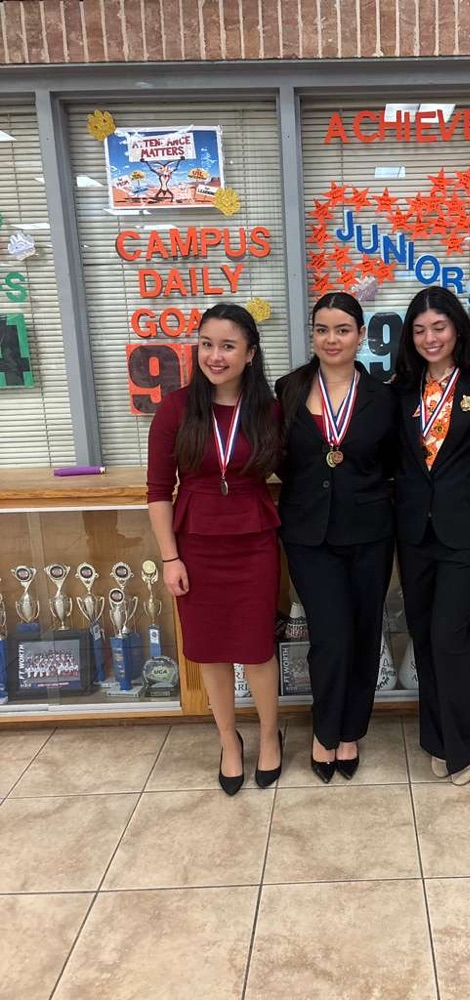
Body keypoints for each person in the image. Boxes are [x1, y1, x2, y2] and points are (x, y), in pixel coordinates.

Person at [147, 302, 283, 795]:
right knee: (209, 653)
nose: (215, 355)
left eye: (228, 345)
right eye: (206, 344)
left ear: (250, 353)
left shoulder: (269, 409)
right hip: (195, 546)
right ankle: (229, 741)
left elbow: (299, 471)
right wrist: (169, 557)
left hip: (253, 542)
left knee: (257, 649)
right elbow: (159, 491)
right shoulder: (176, 408)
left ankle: (270, 736)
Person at [275, 292, 398, 783]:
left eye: (343, 329)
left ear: (361, 335)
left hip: (369, 531)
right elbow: (278, 457)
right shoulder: (286, 389)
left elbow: (392, 463)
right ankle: (324, 732)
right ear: (313, 334)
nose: (332, 339)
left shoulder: (385, 396)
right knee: (329, 636)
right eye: (322, 329)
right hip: (308, 533)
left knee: (366, 633)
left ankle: (351, 732)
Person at [392, 286, 470, 785]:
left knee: (449, 636)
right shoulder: (400, 389)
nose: (429, 338)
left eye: (439, 327)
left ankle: (461, 747)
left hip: (467, 531)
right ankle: (434, 736)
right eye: (419, 330)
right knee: (423, 633)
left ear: (457, 328)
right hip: (414, 530)